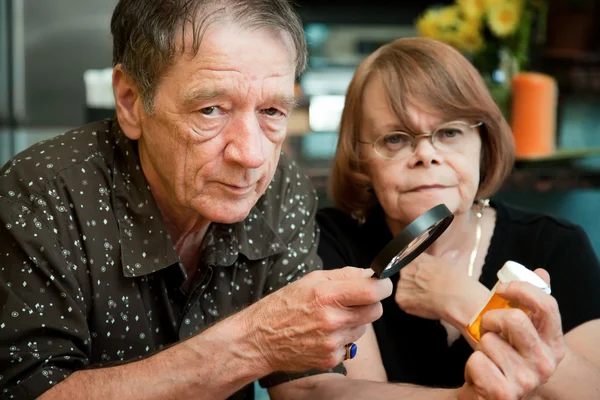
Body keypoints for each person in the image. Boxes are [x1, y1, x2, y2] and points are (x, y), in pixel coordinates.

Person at [0, 1, 569, 398]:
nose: (250, 156)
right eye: (210, 110)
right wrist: (256, 340)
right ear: (130, 101)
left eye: (272, 111)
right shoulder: (42, 192)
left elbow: (312, 389)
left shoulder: (281, 190)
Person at [317, 36, 600, 399]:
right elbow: (336, 394)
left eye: (449, 132)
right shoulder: (332, 245)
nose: (426, 155)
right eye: (395, 139)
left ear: (484, 145)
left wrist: (467, 302)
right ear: (361, 162)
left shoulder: (556, 245)